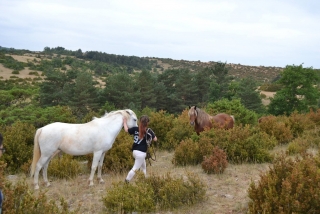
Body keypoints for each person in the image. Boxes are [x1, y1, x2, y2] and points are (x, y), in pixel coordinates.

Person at [123, 115, 157, 183]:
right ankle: (126, 181)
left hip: (135, 151)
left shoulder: (135, 129)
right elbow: (155, 139)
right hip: (141, 153)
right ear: (147, 123)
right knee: (135, 168)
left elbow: (126, 130)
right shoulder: (148, 131)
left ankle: (143, 181)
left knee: (143, 167)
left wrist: (124, 122)